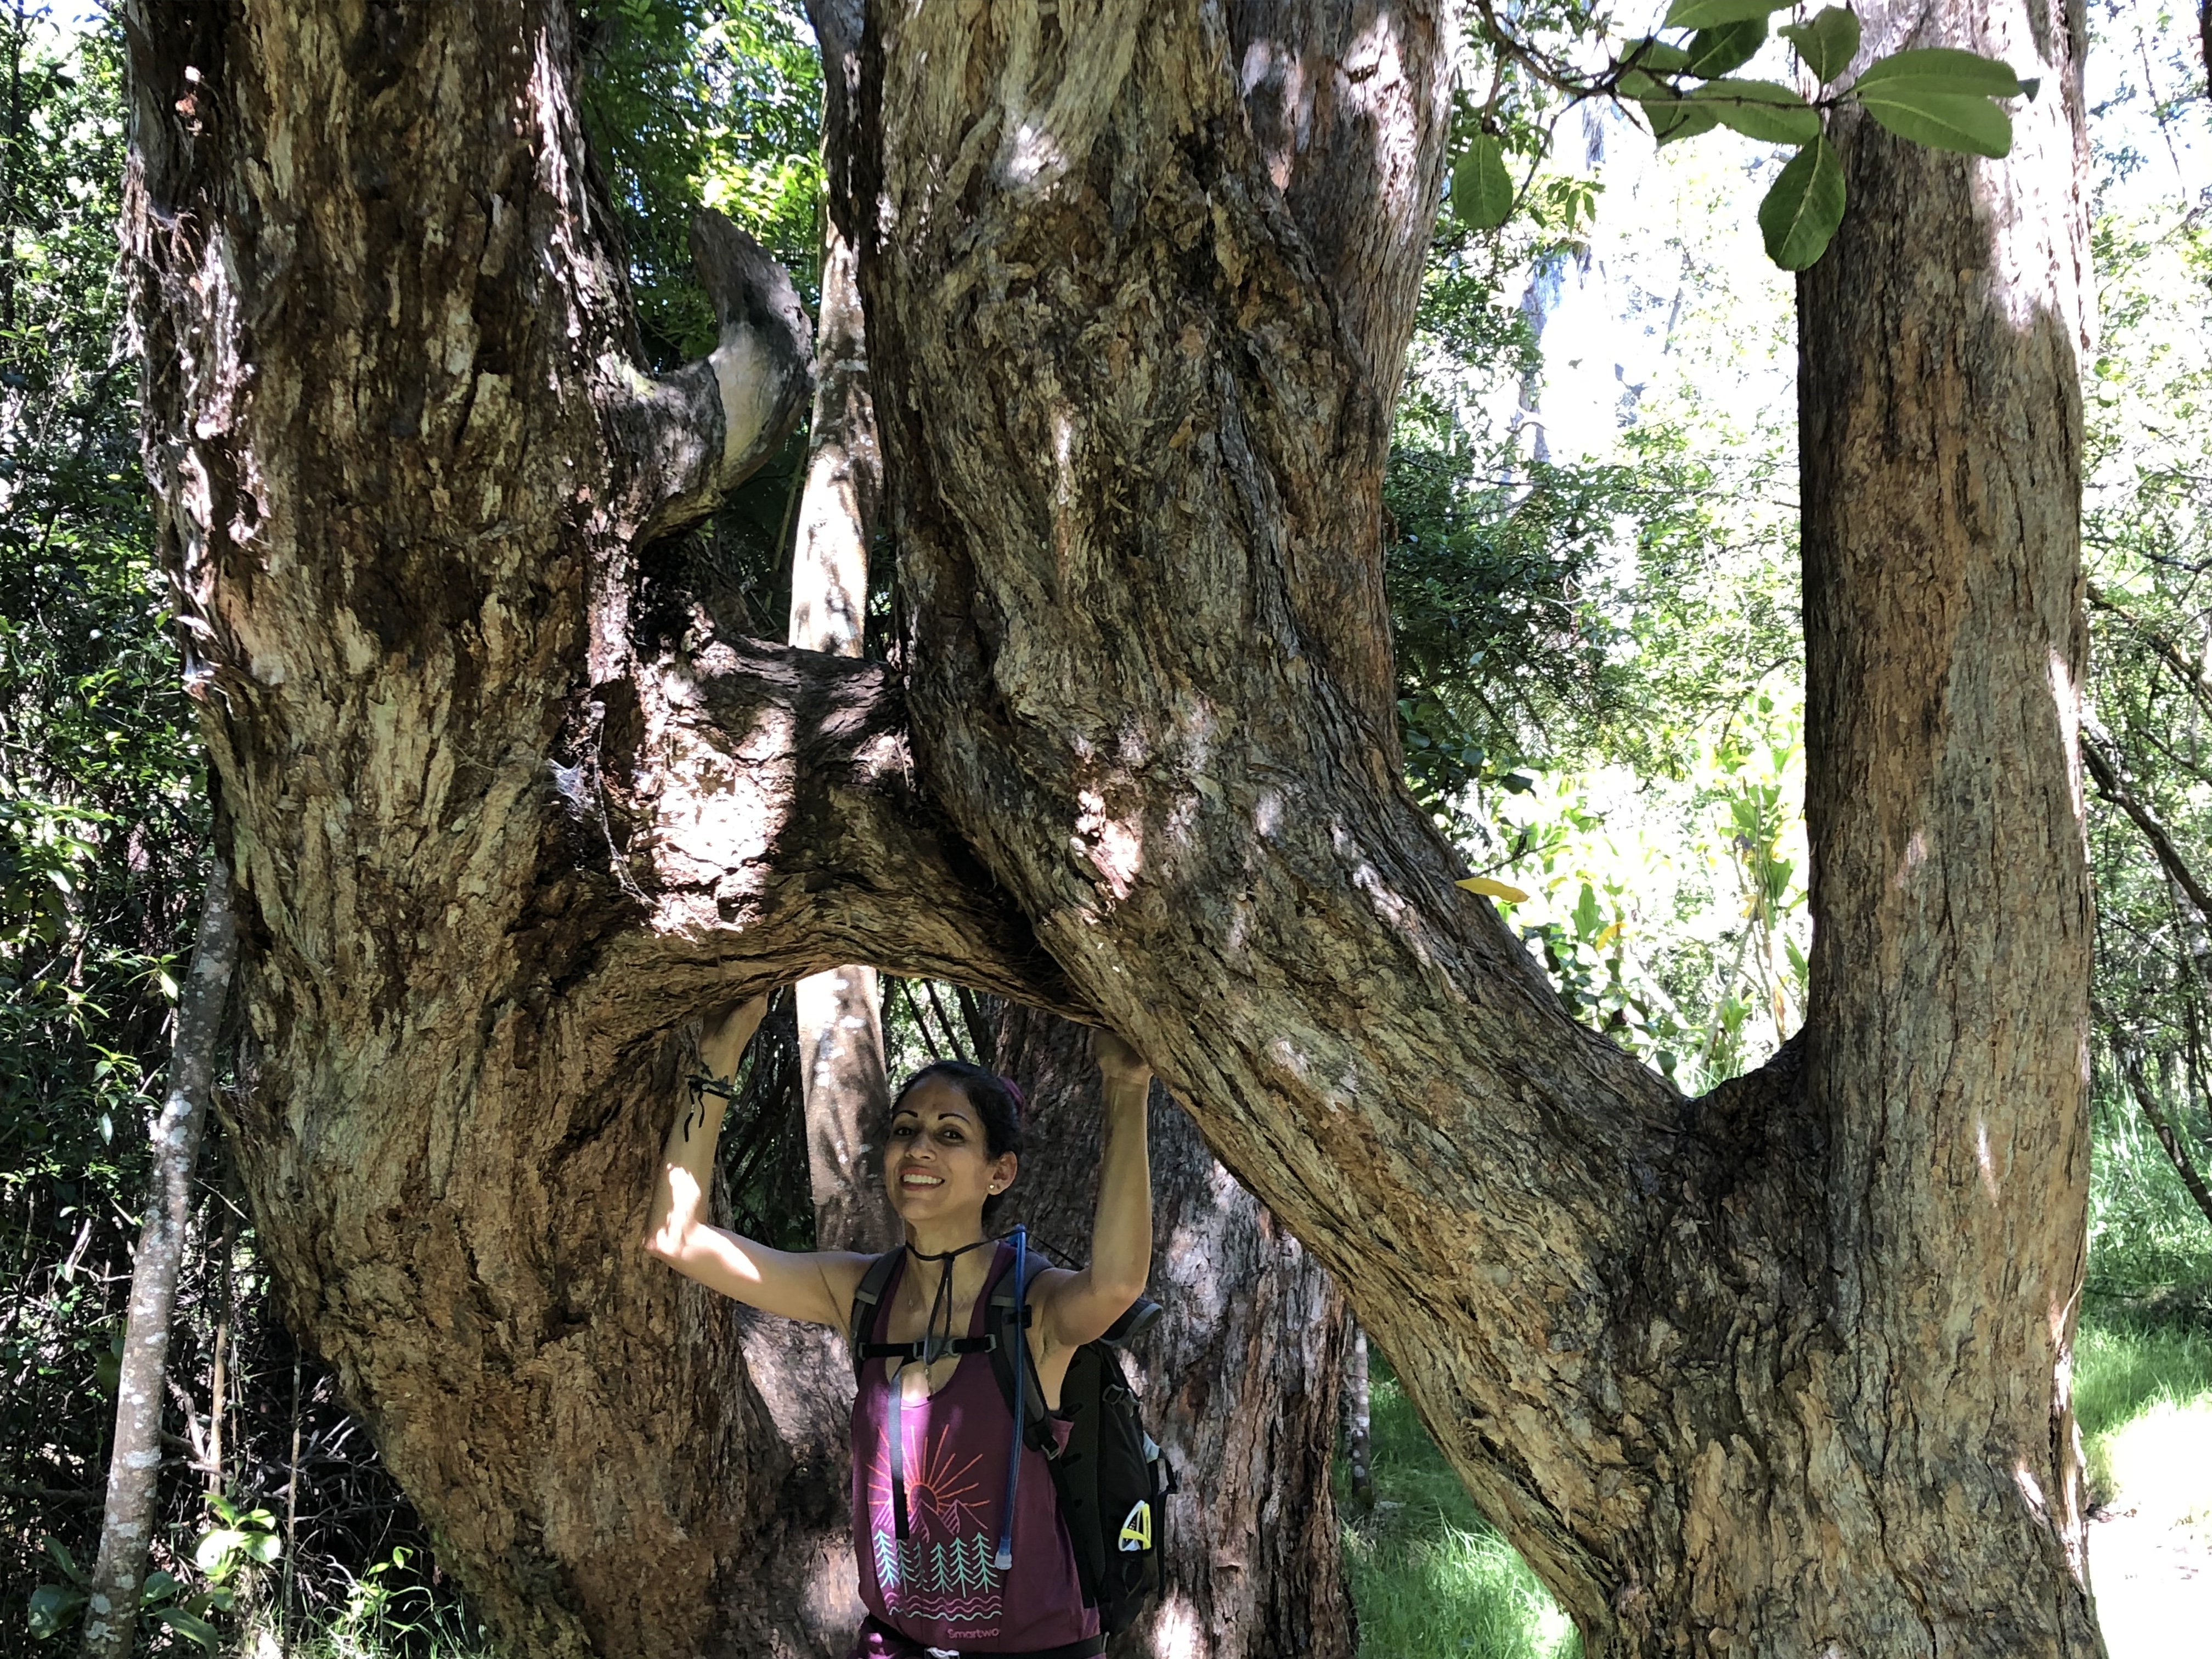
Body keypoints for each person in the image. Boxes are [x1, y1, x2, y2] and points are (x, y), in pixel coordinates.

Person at [644, 994, 1154, 1659]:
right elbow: (677, 1239)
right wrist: (718, 1057)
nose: (918, 1148)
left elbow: (1115, 1285)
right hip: (895, 1645)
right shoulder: (859, 1292)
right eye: (905, 1129)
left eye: (950, 1135)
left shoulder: (1033, 1306)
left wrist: (1126, 1087)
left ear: (1000, 1173)